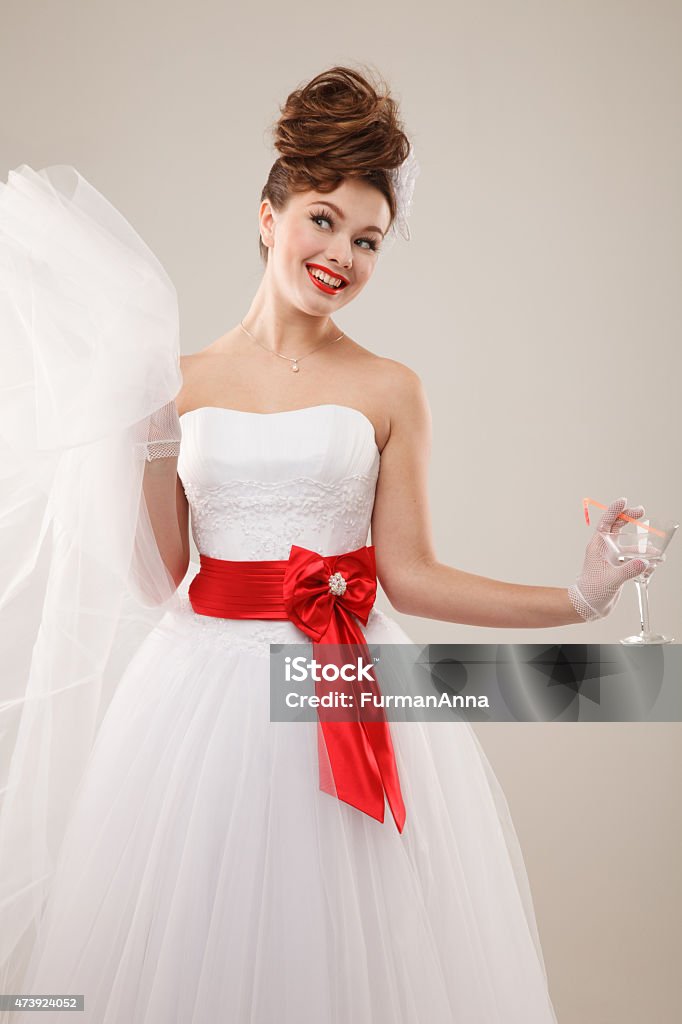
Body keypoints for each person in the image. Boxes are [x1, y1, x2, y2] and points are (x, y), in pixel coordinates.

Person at [0, 64, 649, 1023]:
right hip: (201, 698)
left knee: (356, 954)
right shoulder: (174, 380)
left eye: (369, 238)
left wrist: (583, 595)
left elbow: (412, 575)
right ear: (268, 215)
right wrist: (148, 435)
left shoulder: (392, 389)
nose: (341, 252)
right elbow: (159, 578)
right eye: (322, 218)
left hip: (348, 682)